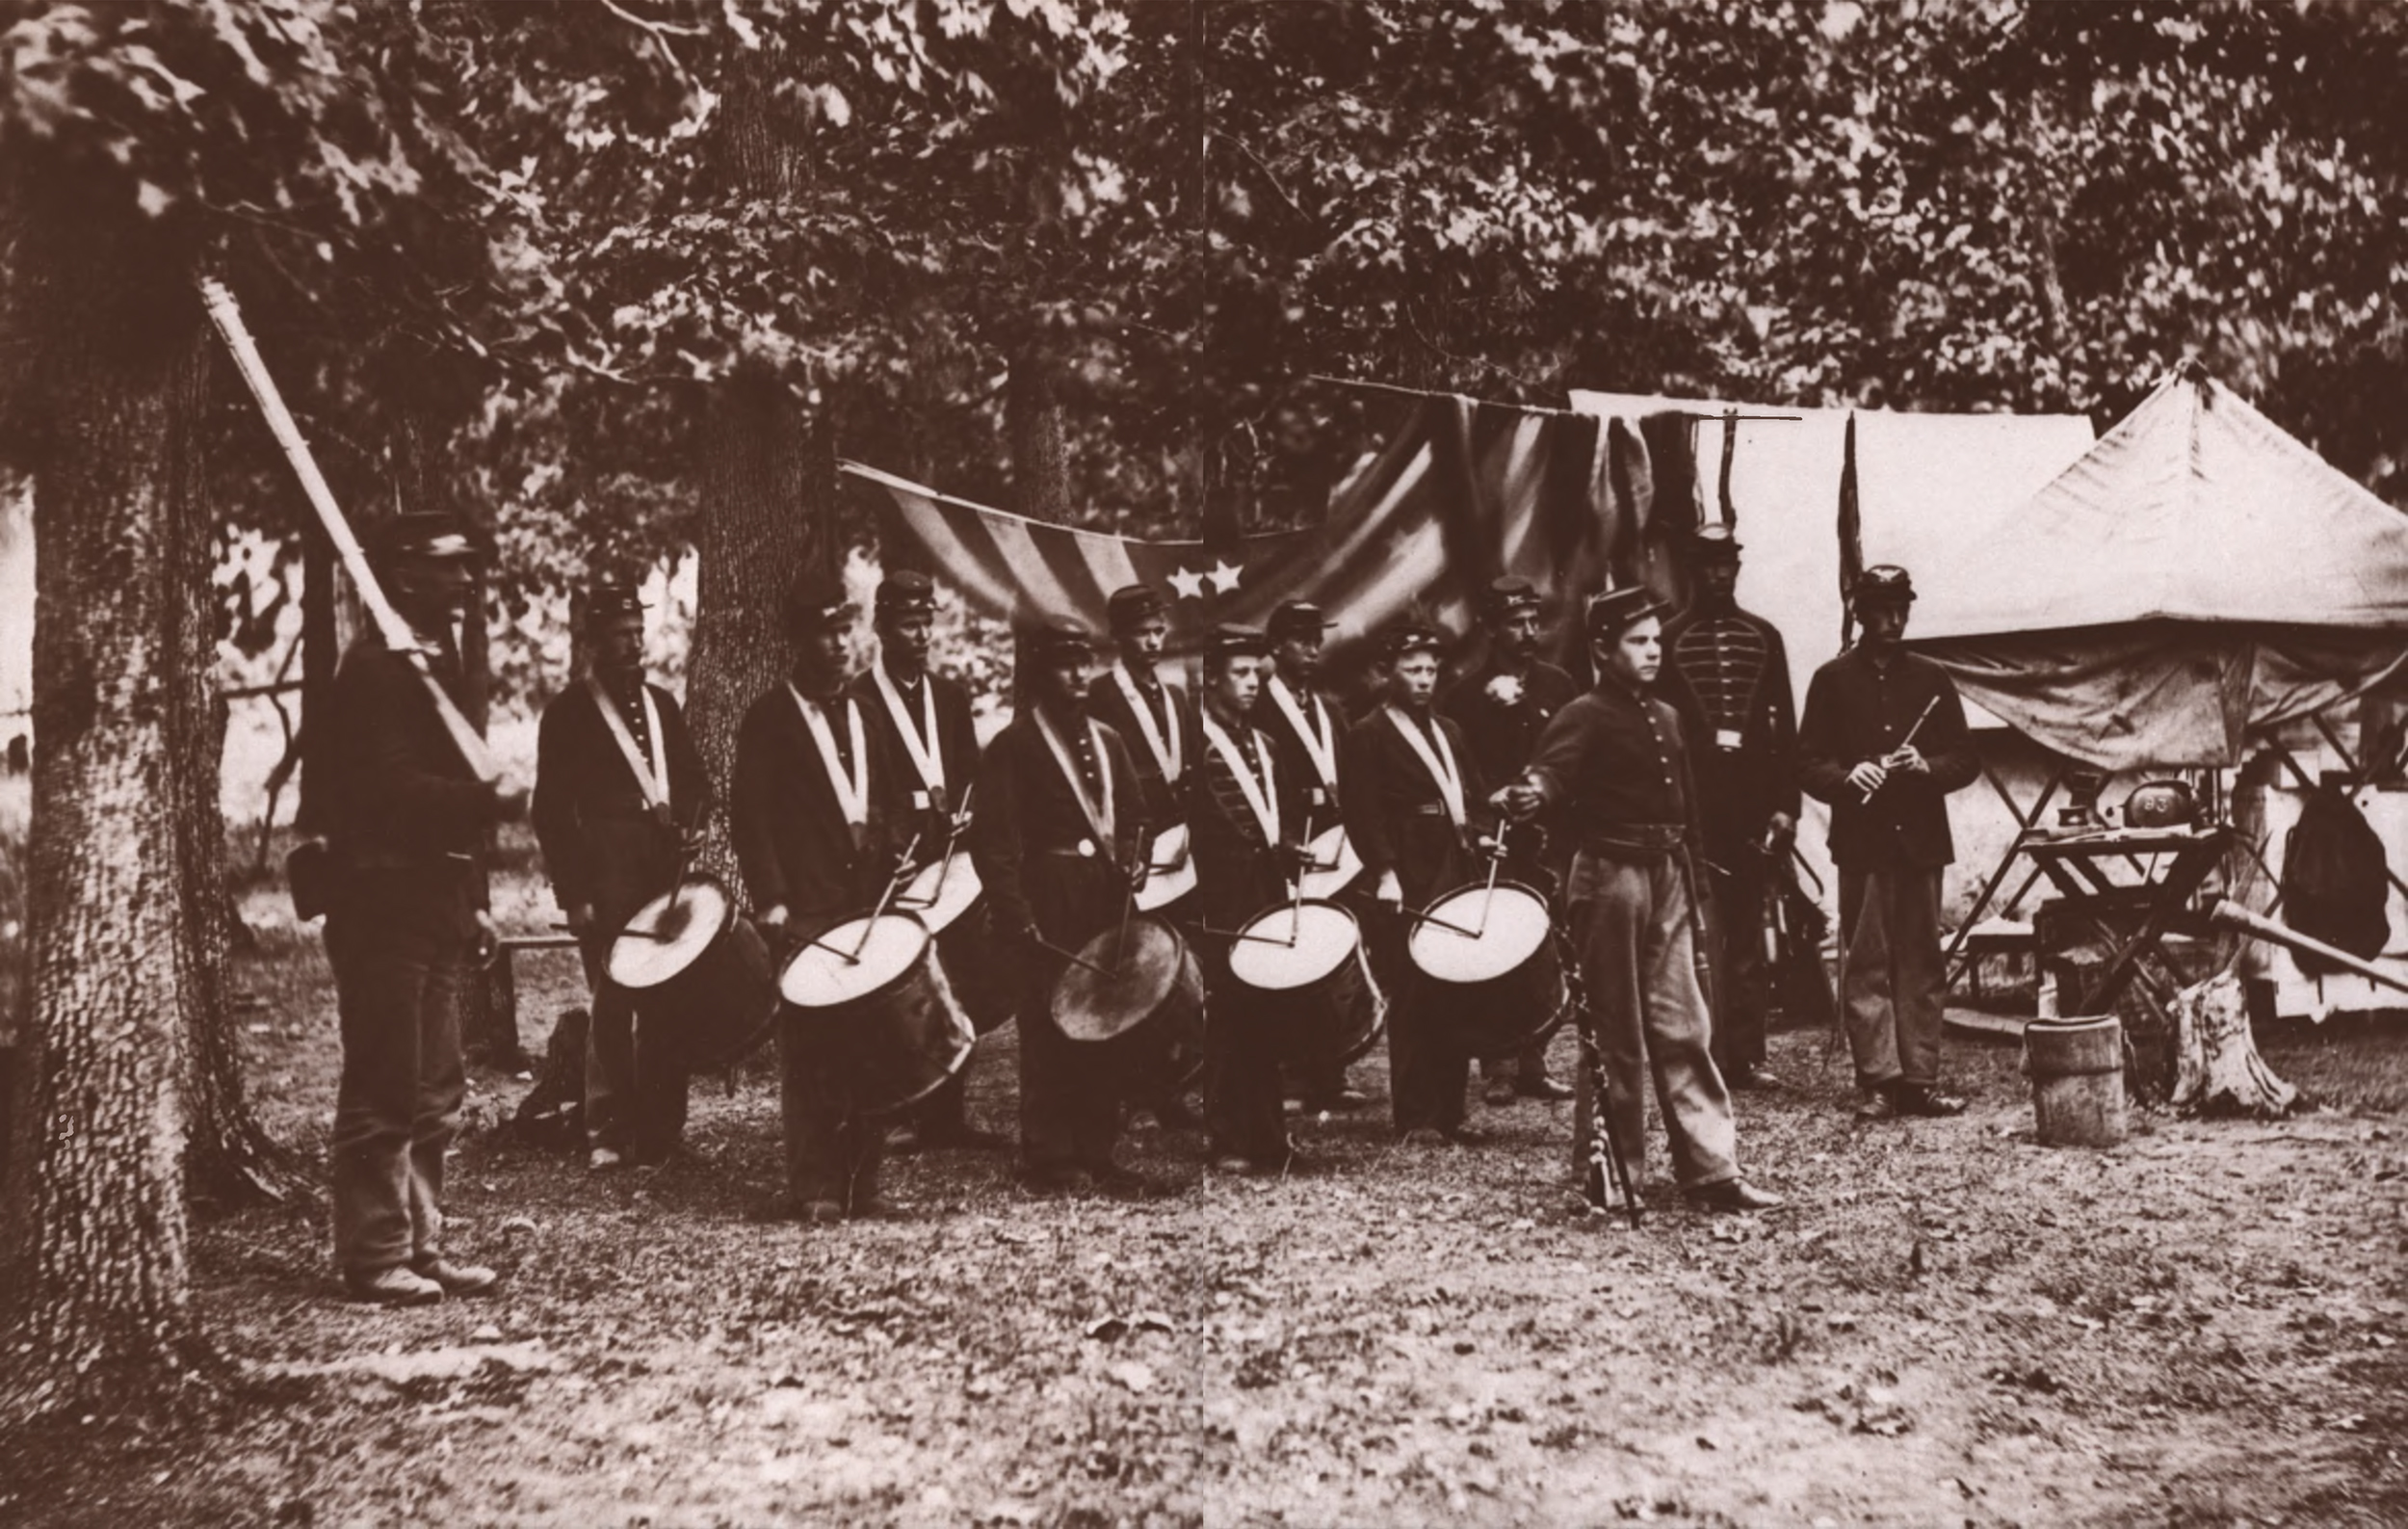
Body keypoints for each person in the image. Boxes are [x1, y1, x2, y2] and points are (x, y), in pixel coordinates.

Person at [1504, 588, 1782, 1213]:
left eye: (1657, 639)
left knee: (1686, 1025)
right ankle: (1611, 1175)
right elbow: (1549, 774)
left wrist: (1698, 885)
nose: (1653, 650)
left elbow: (1688, 807)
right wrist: (1531, 794)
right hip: (1608, 878)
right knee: (1615, 1033)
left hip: (1669, 874)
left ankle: (1713, 1170)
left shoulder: (1669, 715)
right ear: (1603, 649)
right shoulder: (1583, 713)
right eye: (1638, 640)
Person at [319, 513, 503, 1304]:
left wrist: (474, 898)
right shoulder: (372, 674)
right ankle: (373, 1252)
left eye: (466, 566)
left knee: (435, 1088)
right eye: (448, 566)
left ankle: (422, 1244)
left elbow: (448, 805)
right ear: (403, 577)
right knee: (384, 1081)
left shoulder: (432, 667)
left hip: (434, 902)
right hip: (380, 903)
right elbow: (388, 795)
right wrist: (488, 799)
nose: (464, 581)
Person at [732, 574, 902, 1220]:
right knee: (812, 1051)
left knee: (873, 1041)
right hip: (804, 907)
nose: (838, 644)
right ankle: (815, 1186)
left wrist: (893, 867)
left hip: (868, 905)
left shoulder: (865, 712)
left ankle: (868, 1182)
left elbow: (882, 800)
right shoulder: (769, 717)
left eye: (844, 629)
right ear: (799, 640)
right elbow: (752, 817)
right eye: (824, 632)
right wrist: (772, 897)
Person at [531, 577, 712, 1173]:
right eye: (620, 635)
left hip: (663, 870)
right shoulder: (568, 713)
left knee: (673, 998)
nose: (633, 645)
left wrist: (692, 821)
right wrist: (575, 894)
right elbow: (552, 813)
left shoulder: (661, 704)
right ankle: (607, 1127)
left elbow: (693, 782)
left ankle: (662, 1129)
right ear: (594, 642)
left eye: (638, 632)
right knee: (613, 999)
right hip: (605, 871)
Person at [971, 620, 1157, 1194]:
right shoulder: (1016, 744)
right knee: (1049, 1024)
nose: (1078, 673)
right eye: (1063, 663)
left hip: (1104, 899)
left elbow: (1137, 817)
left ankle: (1098, 1150)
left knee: (1104, 1019)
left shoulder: (1111, 739)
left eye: (1084, 661)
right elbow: (993, 842)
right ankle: (1049, 1157)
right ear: (1040, 672)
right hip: (1047, 898)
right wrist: (1015, 911)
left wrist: (1136, 859)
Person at [1797, 565, 1979, 1120]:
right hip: (1863, 845)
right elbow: (1807, 762)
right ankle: (1879, 1080)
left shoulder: (1931, 678)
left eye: (1902, 608)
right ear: (1861, 613)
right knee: (1868, 963)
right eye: (1883, 609)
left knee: (1923, 962)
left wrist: (1925, 765)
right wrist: (1848, 777)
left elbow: (1966, 758)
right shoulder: (1831, 680)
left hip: (1921, 844)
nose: (1895, 619)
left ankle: (1919, 1081)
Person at [851, 570, 1007, 1153]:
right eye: (907, 623)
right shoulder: (861, 700)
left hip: (948, 861)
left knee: (955, 983)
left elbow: (970, 774)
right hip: (891, 864)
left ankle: (947, 1115)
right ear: (882, 628)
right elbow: (862, 787)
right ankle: (893, 1112)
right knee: (893, 987)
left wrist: (973, 814)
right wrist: (891, 844)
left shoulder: (949, 697)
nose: (920, 634)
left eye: (925, 622)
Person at [1658, 525, 1799, 1090]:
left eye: (1727, 566)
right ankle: (1703, 1052)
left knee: (1746, 934)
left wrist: (1785, 807)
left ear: (1737, 570)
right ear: (1693, 570)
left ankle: (1747, 1053)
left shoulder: (1763, 636)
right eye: (1709, 566)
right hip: (1692, 807)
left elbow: (1784, 730)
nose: (1719, 576)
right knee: (1696, 933)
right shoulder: (1666, 639)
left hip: (1749, 807)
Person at [1347, 620, 1493, 1146]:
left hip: (1455, 867)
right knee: (1414, 992)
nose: (1425, 679)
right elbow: (1362, 815)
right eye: (1413, 670)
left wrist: (1484, 835)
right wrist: (1385, 873)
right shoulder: (1369, 733)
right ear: (1390, 675)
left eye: (1431, 670)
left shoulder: (1449, 730)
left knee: (1455, 985)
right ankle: (1416, 1116)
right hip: (1408, 873)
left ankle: (1451, 1113)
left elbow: (1472, 796)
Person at [1440, 575, 1580, 1106]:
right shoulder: (1464, 697)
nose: (1527, 632)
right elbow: (1459, 771)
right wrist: (1485, 805)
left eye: (1532, 621)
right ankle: (1497, 1065)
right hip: (1497, 840)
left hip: (1549, 837)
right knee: (1500, 949)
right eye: (1515, 623)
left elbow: (1571, 753)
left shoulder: (1558, 685)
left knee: (1545, 950)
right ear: (1491, 629)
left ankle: (1534, 1061)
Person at [1185, 626, 1305, 1174]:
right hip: (1221, 899)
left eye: (1257, 673)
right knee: (1229, 1015)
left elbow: (1270, 824)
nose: (1252, 683)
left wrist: (1288, 851)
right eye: (1239, 673)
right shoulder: (1195, 742)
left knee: (1271, 1009)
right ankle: (1227, 1137)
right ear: (1212, 677)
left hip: (1266, 892)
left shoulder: (1266, 745)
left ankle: (1270, 1137)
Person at [1087, 582, 1203, 1130]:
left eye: (1159, 631)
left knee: (1176, 964)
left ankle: (1169, 1086)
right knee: (1136, 967)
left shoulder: (1176, 696)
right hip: (1132, 848)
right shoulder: (1101, 696)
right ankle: (1132, 1094)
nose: (1153, 642)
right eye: (1141, 633)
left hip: (1178, 848)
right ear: (1118, 637)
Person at [1258, 599, 1370, 1113]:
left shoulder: (1329, 708)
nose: (1313, 650)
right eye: (1302, 640)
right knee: (1290, 956)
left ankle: (1331, 1070)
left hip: (1334, 850)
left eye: (1317, 640)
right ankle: (1287, 1073)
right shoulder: (1258, 706)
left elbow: (1347, 773)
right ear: (1277, 646)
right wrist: (1281, 838)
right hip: (1286, 847)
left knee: (1334, 956)